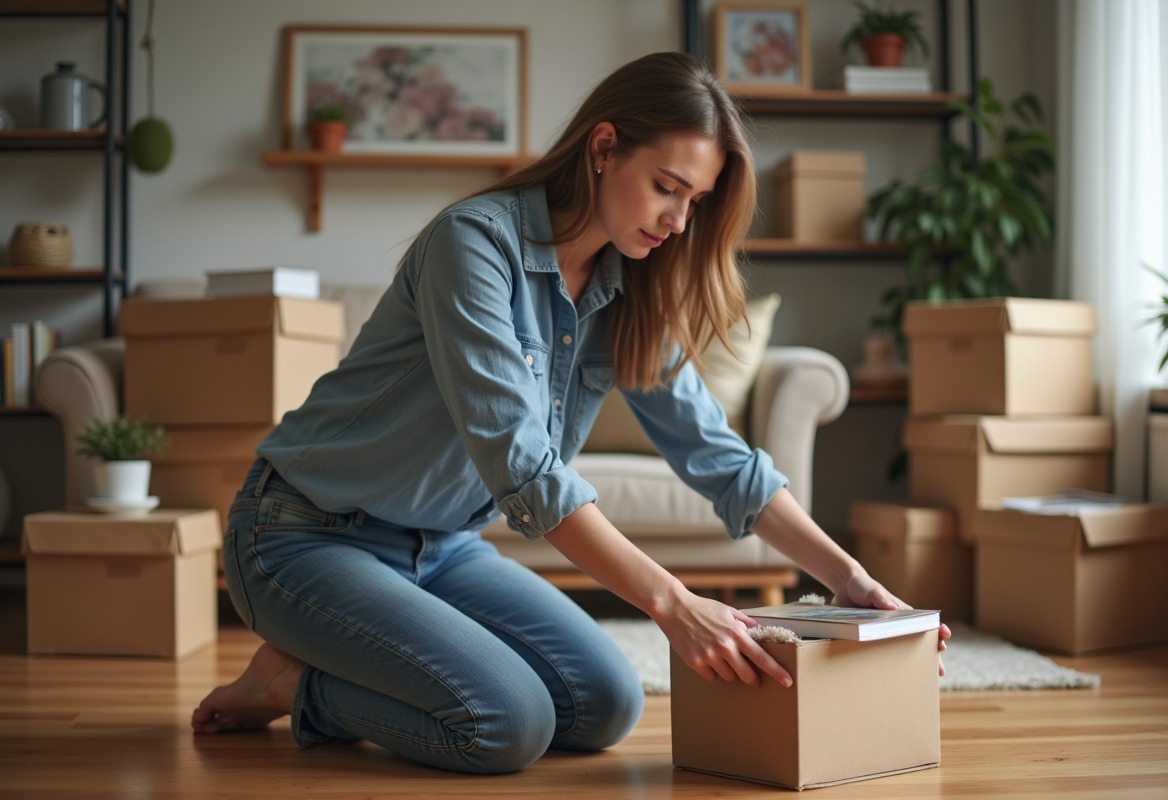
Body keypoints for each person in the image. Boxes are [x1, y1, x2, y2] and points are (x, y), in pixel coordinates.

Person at [192, 51, 951, 775]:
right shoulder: (474, 245)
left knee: (605, 705)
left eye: (695, 201)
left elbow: (721, 459)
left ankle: (340, 653)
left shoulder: (632, 286)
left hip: (445, 548)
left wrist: (850, 580)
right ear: (604, 146)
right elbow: (523, 464)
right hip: (303, 536)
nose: (679, 222)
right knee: (506, 723)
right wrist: (675, 604)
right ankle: (292, 688)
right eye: (666, 186)